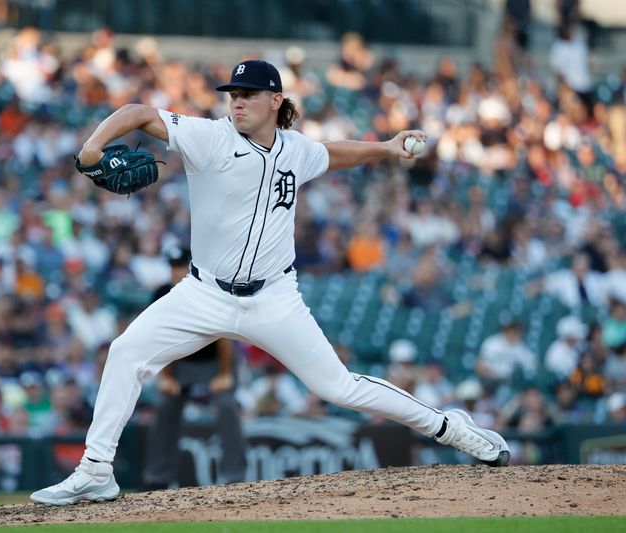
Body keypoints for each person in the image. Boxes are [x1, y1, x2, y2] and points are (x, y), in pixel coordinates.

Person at [30, 60, 510, 506]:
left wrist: (384, 148)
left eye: (248, 94)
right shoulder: (209, 138)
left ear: (275, 100)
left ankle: (450, 428)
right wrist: (92, 148)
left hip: (274, 298)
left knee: (339, 386)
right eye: (232, 94)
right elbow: (137, 112)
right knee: (126, 352)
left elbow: (331, 154)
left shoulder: (296, 148)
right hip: (204, 293)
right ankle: (96, 468)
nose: (236, 102)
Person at [142, 247, 246, 489]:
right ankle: (156, 479)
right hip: (180, 359)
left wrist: (224, 374)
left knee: (226, 405)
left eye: (180, 265)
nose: (175, 272)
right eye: (172, 266)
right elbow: (159, 336)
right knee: (166, 405)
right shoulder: (161, 293)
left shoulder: (207, 288)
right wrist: (165, 377)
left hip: (215, 359)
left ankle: (235, 478)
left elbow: (223, 335)